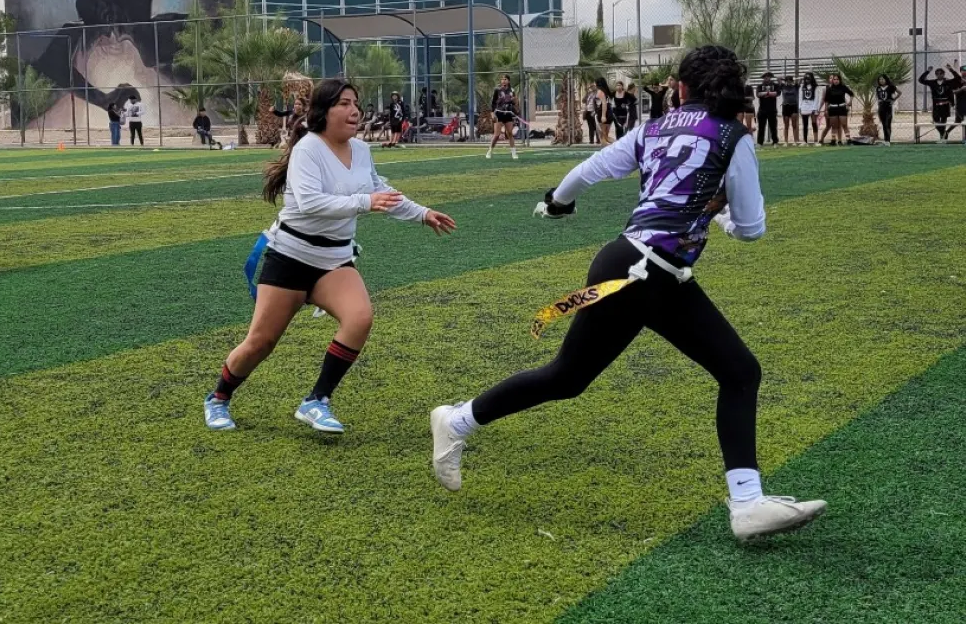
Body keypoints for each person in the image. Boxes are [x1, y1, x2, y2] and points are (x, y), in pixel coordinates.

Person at [428, 44, 827, 542]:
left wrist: (558, 203)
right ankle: (456, 420)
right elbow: (751, 229)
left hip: (636, 266)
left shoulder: (655, 127)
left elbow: (590, 169)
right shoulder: (735, 137)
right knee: (730, 373)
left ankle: (458, 421)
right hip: (644, 272)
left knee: (577, 377)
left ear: (680, 89)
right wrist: (718, 212)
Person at [203, 79, 456, 433]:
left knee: (360, 318)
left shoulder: (362, 150)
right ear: (324, 112)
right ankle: (218, 398)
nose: (354, 111)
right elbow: (310, 203)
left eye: (356, 103)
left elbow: (380, 190)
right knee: (261, 343)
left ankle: (316, 401)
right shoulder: (309, 148)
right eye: (344, 103)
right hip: (290, 257)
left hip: (334, 261)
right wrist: (364, 203)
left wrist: (423, 213)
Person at [918, 65, 960, 143]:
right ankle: (944, 135)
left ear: (944, 74)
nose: (939, 75)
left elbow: (958, 79)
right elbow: (921, 80)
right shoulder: (932, 82)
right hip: (936, 105)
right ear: (936, 75)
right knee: (936, 121)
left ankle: (942, 138)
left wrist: (951, 70)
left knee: (943, 122)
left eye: (941, 73)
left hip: (945, 105)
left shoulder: (948, 82)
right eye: (937, 73)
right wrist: (927, 71)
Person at [487, 74, 519, 160]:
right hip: (499, 113)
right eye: (502, 79)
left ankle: (514, 153)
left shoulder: (512, 90)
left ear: (508, 81)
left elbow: (514, 103)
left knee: (509, 133)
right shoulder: (497, 90)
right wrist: (492, 113)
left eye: (505, 79)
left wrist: (514, 101)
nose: (503, 81)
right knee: (497, 134)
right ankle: (490, 151)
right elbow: (493, 103)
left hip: (508, 113)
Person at [818, 73, 854, 146]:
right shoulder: (829, 89)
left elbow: (852, 94)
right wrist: (826, 110)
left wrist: (850, 102)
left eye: (837, 79)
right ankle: (833, 140)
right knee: (834, 126)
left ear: (840, 80)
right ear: (832, 80)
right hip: (832, 108)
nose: (836, 81)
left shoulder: (843, 87)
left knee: (844, 125)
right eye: (834, 79)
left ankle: (848, 140)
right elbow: (827, 100)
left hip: (842, 108)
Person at [755, 72, 780, 147]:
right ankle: (760, 142)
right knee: (761, 127)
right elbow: (758, 94)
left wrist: (766, 94)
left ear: (770, 77)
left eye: (768, 76)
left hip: (772, 109)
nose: (767, 78)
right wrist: (769, 93)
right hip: (762, 109)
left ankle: (775, 142)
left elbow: (777, 93)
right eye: (765, 77)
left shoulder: (775, 85)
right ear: (763, 78)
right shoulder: (760, 86)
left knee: (773, 126)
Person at [875, 74, 900, 145]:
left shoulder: (891, 87)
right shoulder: (878, 88)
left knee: (887, 123)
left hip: (888, 107)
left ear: (886, 79)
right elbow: (878, 96)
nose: (881, 81)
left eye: (883, 79)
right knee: (883, 124)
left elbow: (899, 93)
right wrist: (878, 102)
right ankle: (886, 140)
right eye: (880, 79)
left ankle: (888, 140)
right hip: (881, 107)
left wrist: (893, 100)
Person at [798, 73, 820, 145]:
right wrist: (800, 108)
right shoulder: (802, 87)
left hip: (812, 107)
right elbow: (800, 98)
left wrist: (814, 109)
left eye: (808, 78)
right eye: (806, 78)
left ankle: (816, 141)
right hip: (804, 107)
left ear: (812, 78)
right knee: (805, 124)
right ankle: (805, 141)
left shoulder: (815, 87)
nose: (807, 80)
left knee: (814, 123)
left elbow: (816, 98)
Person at [779, 75, 800, 146]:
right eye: (787, 81)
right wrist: (783, 78)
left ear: (792, 81)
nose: (788, 82)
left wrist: (795, 78)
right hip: (785, 106)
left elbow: (801, 79)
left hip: (794, 106)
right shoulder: (783, 87)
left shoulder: (795, 86)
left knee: (794, 125)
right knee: (786, 125)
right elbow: (778, 78)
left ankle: (795, 141)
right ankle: (786, 141)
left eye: (790, 81)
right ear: (785, 81)